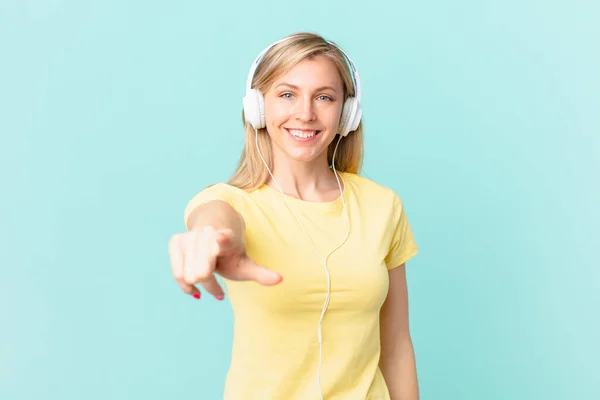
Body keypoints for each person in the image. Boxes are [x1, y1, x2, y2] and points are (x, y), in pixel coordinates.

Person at [168, 32, 420, 400]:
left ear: (346, 114)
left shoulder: (383, 206)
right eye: (287, 94)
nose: (305, 113)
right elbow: (214, 221)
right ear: (257, 107)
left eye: (324, 97)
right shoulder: (231, 202)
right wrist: (207, 238)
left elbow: (396, 346)